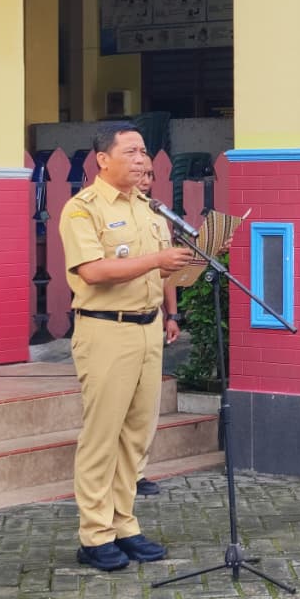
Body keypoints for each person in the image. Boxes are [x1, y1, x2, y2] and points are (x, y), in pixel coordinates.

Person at [59, 122, 193, 572]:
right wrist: (157, 259)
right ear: (103, 159)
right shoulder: (83, 209)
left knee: (137, 435)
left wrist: (194, 262)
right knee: (103, 436)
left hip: (147, 328)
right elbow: (93, 271)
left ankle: (124, 525)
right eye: (132, 152)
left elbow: (163, 271)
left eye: (145, 152)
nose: (142, 159)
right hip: (106, 331)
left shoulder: (149, 208)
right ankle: (95, 534)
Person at [132, 167, 183, 497]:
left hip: (151, 319)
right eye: (139, 173)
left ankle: (136, 472)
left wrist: (172, 315)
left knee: (146, 406)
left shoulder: (158, 218)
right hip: (117, 322)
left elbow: (167, 275)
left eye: (149, 174)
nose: (144, 180)